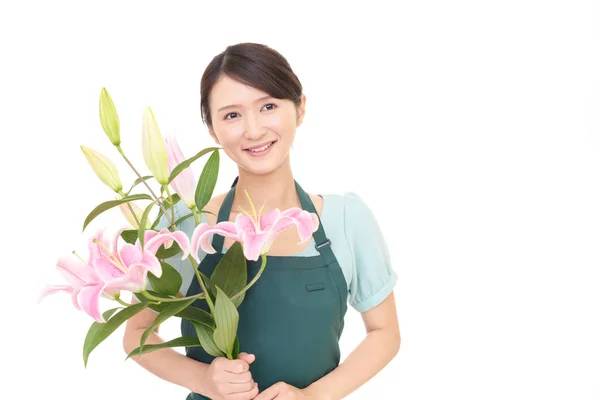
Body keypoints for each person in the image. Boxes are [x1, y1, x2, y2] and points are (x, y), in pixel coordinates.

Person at [123, 42, 400, 400]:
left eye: (268, 106)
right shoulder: (187, 223)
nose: (253, 130)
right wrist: (202, 379)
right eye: (232, 115)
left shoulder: (347, 220)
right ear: (212, 130)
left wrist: (314, 397)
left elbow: (384, 332)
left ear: (300, 108)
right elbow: (137, 333)